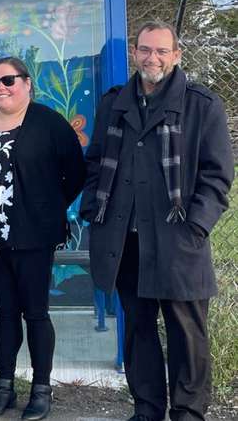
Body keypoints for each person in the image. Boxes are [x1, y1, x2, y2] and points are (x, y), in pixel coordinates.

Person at [80, 21, 234, 421]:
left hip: (179, 241)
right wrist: (92, 211)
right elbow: (95, 162)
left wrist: (196, 226)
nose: (153, 58)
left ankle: (188, 413)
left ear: (176, 55)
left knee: (187, 334)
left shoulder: (202, 105)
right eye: (146, 50)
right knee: (138, 330)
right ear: (134, 52)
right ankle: (147, 409)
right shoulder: (114, 102)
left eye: (162, 51)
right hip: (125, 241)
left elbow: (217, 177)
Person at [0, 56, 86, 420]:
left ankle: (41, 390)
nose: (1, 87)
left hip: (34, 236)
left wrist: (48, 206)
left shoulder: (48, 123)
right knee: (4, 312)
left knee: (35, 313)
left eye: (9, 80)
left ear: (27, 83)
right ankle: (3, 387)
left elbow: (76, 172)